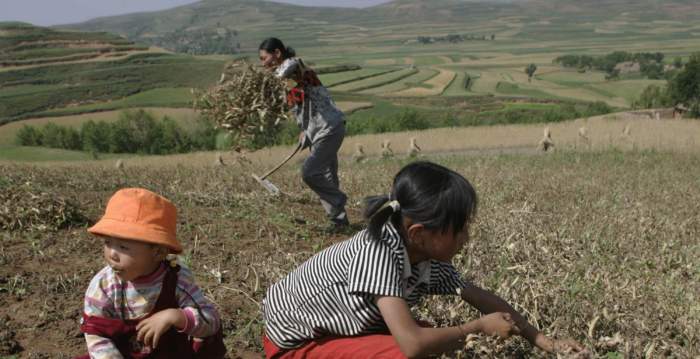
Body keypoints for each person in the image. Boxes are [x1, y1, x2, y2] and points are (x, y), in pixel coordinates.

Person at [262, 161, 582, 358]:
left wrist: (544, 341)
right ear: (418, 233)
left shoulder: (423, 256)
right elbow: (413, 345)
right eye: (458, 230)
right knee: (414, 348)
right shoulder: (379, 253)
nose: (466, 238)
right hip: (297, 345)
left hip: (336, 331)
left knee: (433, 336)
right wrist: (479, 328)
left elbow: (480, 297)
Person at [76, 188, 226, 359]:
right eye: (108, 242)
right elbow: (97, 335)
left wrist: (174, 316)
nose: (112, 254)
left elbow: (211, 321)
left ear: (159, 252)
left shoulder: (177, 279)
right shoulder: (103, 285)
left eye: (123, 247)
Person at [259, 37, 349, 226]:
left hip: (329, 127)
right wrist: (303, 130)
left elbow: (289, 65)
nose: (263, 63)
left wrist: (267, 79)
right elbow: (303, 106)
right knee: (327, 175)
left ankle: (339, 200)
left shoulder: (295, 66)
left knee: (310, 173)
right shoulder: (289, 82)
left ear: (277, 53)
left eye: (264, 58)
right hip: (317, 130)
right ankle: (339, 220)